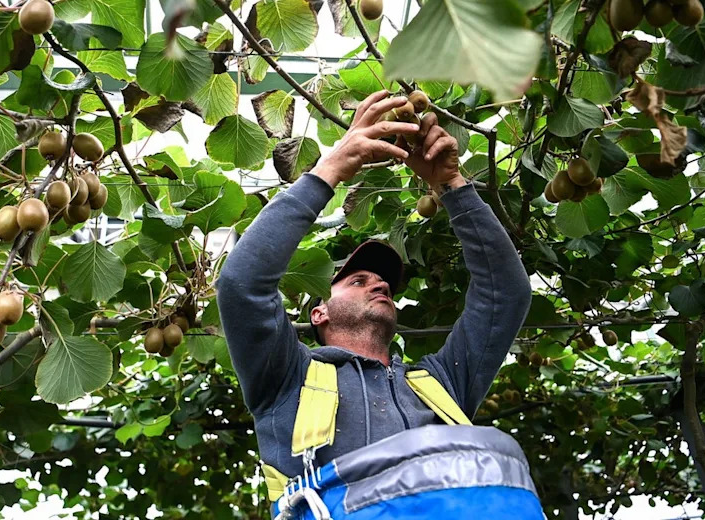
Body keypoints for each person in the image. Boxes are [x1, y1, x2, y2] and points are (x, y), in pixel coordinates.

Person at [215, 90, 532, 493]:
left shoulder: (440, 383)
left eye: (381, 282)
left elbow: (506, 294)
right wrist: (330, 169)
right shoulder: (285, 376)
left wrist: (452, 185)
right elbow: (242, 285)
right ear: (319, 313)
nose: (380, 283)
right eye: (357, 281)